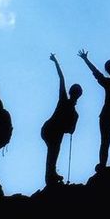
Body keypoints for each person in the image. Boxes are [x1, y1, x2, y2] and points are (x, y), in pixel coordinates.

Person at [42, 53, 81, 186]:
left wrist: (55, 61)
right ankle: (50, 176)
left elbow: (62, 78)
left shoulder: (67, 105)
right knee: (53, 152)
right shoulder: (71, 109)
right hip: (52, 131)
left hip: (49, 129)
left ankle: (51, 174)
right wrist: (55, 62)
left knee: (53, 153)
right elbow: (70, 131)